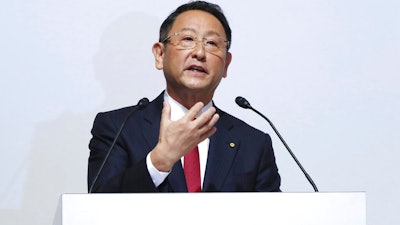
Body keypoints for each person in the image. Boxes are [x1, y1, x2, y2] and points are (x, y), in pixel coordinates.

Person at [88, 0, 281, 192]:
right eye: (188, 39)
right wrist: (159, 161)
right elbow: (95, 207)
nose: (199, 52)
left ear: (226, 64)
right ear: (160, 55)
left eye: (212, 43)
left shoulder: (254, 144)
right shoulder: (118, 128)